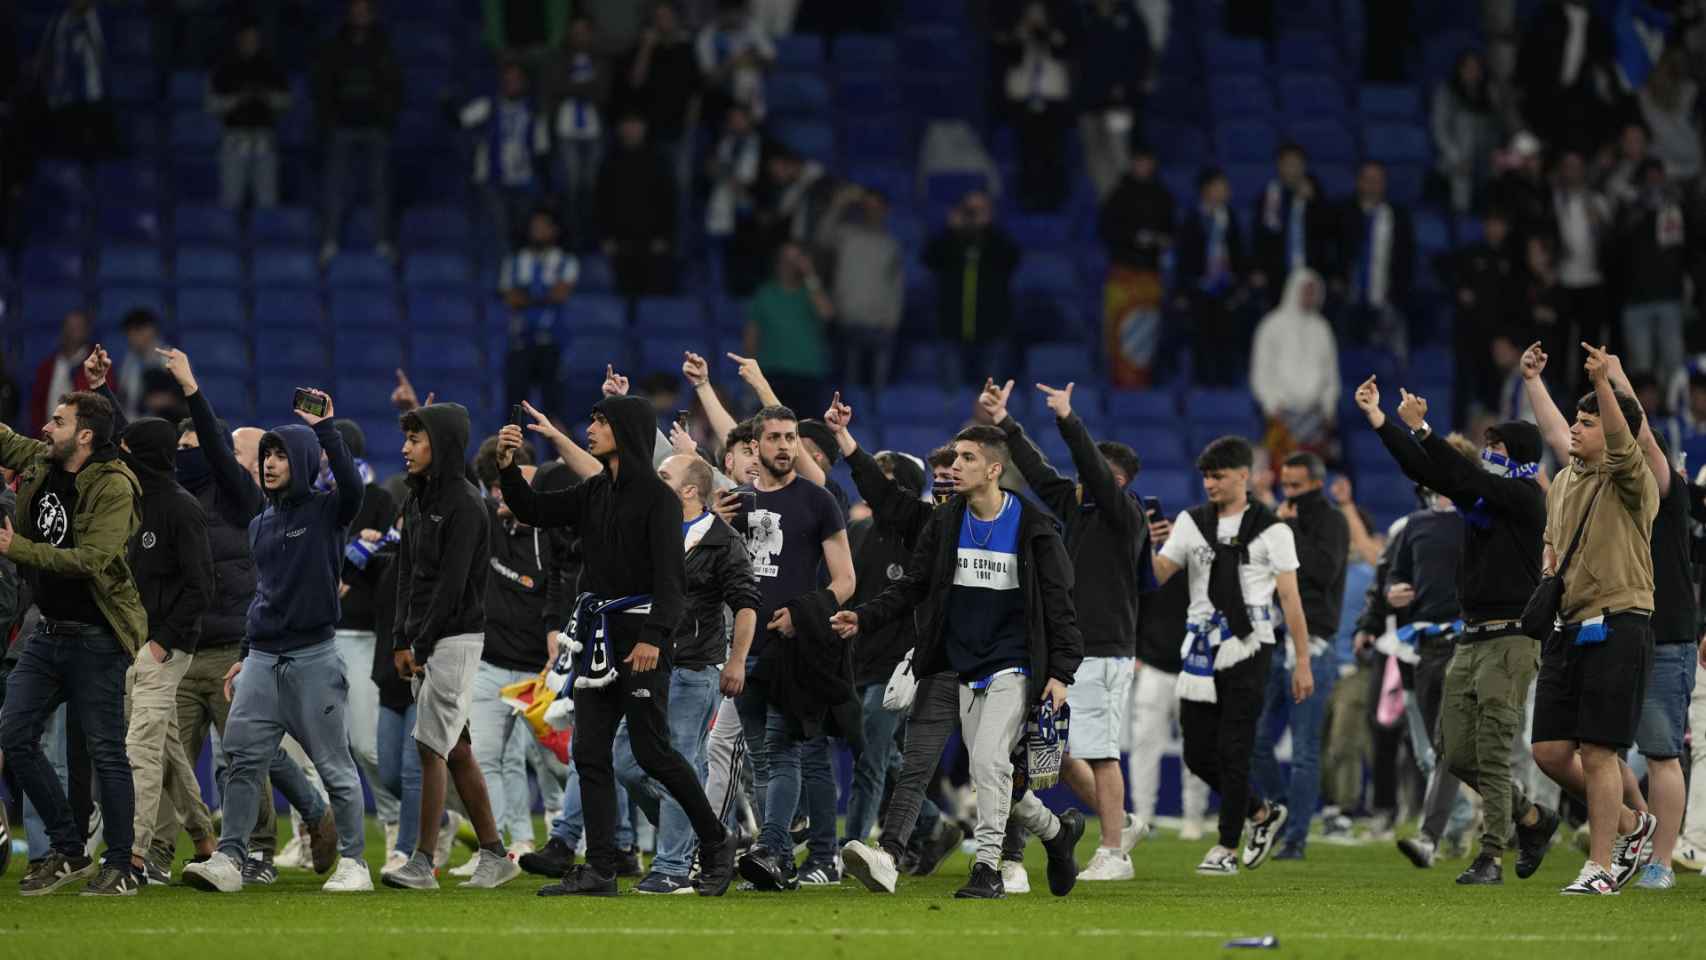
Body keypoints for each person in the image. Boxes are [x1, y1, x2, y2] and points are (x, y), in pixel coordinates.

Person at [495, 393, 740, 896]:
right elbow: (533, 509)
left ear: (625, 431)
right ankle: (602, 869)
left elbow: (672, 583)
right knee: (588, 752)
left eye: (601, 421)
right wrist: (506, 468)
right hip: (600, 638)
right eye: (592, 418)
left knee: (653, 753)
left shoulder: (657, 498)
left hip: (641, 638)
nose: (591, 427)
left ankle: (716, 843)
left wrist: (654, 638)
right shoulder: (594, 492)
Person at [831, 424, 1087, 899]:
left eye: (966, 459)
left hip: (1013, 664)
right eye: (953, 459)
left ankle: (988, 867)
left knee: (989, 762)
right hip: (954, 663)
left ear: (993, 470)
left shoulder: (1034, 528)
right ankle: (1055, 831)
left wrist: (1062, 673)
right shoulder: (945, 522)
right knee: (967, 771)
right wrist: (864, 617)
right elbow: (912, 585)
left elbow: (1060, 605)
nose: (953, 467)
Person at [1354, 372, 1555, 884]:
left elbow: (1462, 477)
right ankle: (1532, 818)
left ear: (1521, 456)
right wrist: (1383, 423)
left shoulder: (1527, 497)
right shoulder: (1482, 502)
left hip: (1511, 638)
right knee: (1455, 752)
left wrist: (1425, 430)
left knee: (1490, 749)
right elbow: (1432, 472)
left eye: (1496, 446)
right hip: (1472, 637)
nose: (1487, 453)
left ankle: (1490, 856)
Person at [134, 349, 323, 884]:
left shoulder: (241, 496)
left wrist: (193, 391)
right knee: (173, 762)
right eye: (181, 445)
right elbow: (128, 452)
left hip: (231, 647)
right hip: (180, 645)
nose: (185, 451)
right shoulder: (165, 500)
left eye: (193, 442)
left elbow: (220, 454)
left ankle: (260, 851)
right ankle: (157, 855)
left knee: (245, 758)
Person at [183, 388, 374, 894]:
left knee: (334, 766)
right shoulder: (260, 524)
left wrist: (326, 428)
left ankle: (355, 863)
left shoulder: (328, 512)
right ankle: (230, 858)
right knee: (242, 759)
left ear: (304, 460)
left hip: (313, 656)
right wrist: (244, 656)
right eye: (266, 454)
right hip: (263, 659)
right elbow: (262, 596)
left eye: (280, 454)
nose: (269, 463)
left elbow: (353, 489)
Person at [1523, 344, 1686, 891]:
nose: (1575, 428)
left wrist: (1608, 385)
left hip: (1620, 621)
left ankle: (1600, 867)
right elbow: (1552, 539)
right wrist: (1533, 382)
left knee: (1598, 751)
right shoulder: (1566, 481)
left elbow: (1622, 441)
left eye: (1587, 422)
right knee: (1548, 751)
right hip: (1568, 626)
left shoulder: (1634, 482)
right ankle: (1633, 824)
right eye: (1576, 418)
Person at [984, 378, 1148, 879]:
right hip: (1071, 650)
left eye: (1092, 473)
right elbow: (1037, 471)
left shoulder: (1126, 515)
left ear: (1114, 481)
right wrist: (1005, 423)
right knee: (1061, 751)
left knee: (1099, 752)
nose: (1079, 479)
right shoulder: (1078, 511)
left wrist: (1067, 419)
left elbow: (1092, 471)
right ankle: (1123, 822)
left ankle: (1114, 853)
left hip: (1104, 648)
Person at [0, 390, 145, 895]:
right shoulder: (43, 458)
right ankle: (69, 849)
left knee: (107, 753)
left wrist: (15, 547)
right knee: (14, 734)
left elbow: (92, 559)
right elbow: (7, 441)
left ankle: (123, 864)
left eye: (56, 421)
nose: (45, 427)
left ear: (84, 435)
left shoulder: (115, 485)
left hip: (98, 636)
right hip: (49, 631)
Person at [1148, 435, 1314, 876]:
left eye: (1218, 475)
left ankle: (1224, 845)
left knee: (1234, 748)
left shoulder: (1272, 529)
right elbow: (1160, 575)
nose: (1209, 484)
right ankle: (1261, 812)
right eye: (1205, 476)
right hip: (1201, 646)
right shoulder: (1191, 522)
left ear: (1244, 475)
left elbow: (1291, 600)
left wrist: (1302, 662)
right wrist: (1148, 547)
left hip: (1250, 644)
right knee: (1198, 754)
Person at [381, 403, 518, 891]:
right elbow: (405, 573)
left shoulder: (465, 503)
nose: (406, 448)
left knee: (428, 744)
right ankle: (496, 854)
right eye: (407, 439)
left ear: (440, 445)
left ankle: (422, 861)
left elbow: (453, 585)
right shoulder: (416, 500)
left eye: (417, 439)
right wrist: (402, 637)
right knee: (455, 749)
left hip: (455, 637)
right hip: (427, 638)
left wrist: (419, 641)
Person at [616, 453, 758, 894]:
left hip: (695, 667)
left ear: (689, 490)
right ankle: (706, 833)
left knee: (677, 757)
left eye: (664, 477)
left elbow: (746, 603)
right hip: (647, 666)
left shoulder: (722, 539)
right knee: (625, 761)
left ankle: (673, 865)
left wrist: (736, 660)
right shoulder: (650, 533)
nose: (654, 482)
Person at [726, 405, 855, 890]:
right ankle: (779, 859)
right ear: (755, 446)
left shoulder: (819, 502)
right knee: (760, 760)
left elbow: (845, 580)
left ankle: (770, 849)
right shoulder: (733, 504)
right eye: (775, 438)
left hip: (792, 649)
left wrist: (804, 613)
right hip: (742, 648)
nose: (784, 446)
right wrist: (711, 525)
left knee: (783, 753)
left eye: (791, 437)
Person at [112, 411, 214, 887]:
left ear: (146, 457)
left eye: (127, 451)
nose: (120, 458)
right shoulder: (133, 503)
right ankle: (205, 837)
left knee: (141, 748)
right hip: (139, 644)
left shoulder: (179, 507)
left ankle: (132, 858)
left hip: (165, 650)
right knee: (168, 747)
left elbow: (201, 585)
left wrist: (163, 642)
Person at [1250, 452, 1348, 860]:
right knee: (1254, 738)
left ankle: (1295, 839)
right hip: (1274, 637)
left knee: (1306, 749)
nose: (1289, 493)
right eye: (1285, 484)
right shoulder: (1278, 519)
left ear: (1316, 484)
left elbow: (1325, 571)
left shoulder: (1332, 521)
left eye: (1296, 486)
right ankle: (1283, 811)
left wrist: (1289, 530)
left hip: (1315, 644)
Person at [328, 420, 399, 853]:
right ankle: (310, 834)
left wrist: (369, 551)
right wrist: (353, 550)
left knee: (366, 746)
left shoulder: (379, 500)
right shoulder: (315, 501)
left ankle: (397, 823)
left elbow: (396, 553)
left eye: (330, 451)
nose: (323, 460)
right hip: (318, 634)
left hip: (362, 634)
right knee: (312, 744)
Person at [313, 0, 403, 264]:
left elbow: (394, 83)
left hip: (375, 125)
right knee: (336, 184)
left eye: (365, 10)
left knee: (380, 186)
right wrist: (328, 119)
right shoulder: (336, 44)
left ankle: (382, 241)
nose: (360, 14)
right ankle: (330, 240)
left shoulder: (383, 44)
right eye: (356, 9)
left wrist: (387, 117)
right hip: (342, 125)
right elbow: (323, 83)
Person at [922, 192, 1022, 388]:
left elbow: (1013, 259)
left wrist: (989, 228)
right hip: (951, 327)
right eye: (969, 210)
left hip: (992, 328)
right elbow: (929, 258)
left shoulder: (996, 242)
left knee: (991, 398)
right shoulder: (951, 241)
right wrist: (950, 230)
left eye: (979, 210)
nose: (973, 215)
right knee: (951, 395)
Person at [815, 184, 903, 394]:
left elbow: (895, 285)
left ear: (885, 210)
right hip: (847, 321)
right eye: (868, 206)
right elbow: (821, 238)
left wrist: (893, 319)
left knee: (879, 390)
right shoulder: (846, 235)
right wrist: (838, 205)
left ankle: (877, 423)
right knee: (848, 388)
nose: (872, 211)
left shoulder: (890, 244)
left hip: (879, 325)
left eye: (877, 207)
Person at [1097, 146, 1173, 387]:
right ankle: (1119, 384)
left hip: (1150, 278)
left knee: (1147, 336)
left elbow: (1172, 232)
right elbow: (1106, 231)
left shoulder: (1163, 196)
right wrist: (1133, 239)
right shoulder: (1118, 196)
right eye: (1139, 161)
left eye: (1147, 161)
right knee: (1120, 335)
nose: (1143, 166)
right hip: (1123, 275)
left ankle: (1146, 384)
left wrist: (1158, 240)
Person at [459, 60, 552, 251]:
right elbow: (461, 119)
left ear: (525, 82)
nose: (511, 84)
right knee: (499, 231)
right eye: (507, 79)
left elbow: (542, 151)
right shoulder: (488, 105)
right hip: (492, 180)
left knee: (521, 232)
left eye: (516, 80)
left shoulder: (534, 111)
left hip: (523, 181)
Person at [1250, 269, 1338, 464]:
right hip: (1280, 413)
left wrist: (1328, 408)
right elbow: (1260, 372)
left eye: (1313, 291)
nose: (1309, 296)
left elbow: (1331, 375)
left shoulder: (1322, 328)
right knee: (1279, 469)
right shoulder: (1271, 325)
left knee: (1311, 474)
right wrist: (1271, 404)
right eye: (1305, 290)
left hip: (1314, 416)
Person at [1615, 158, 1691, 384]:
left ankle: (1676, 411)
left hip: (1668, 295)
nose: (1654, 183)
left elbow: (1687, 247)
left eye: (1658, 177)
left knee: (1674, 363)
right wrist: (1636, 212)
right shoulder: (1628, 208)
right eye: (1648, 178)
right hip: (1635, 299)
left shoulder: (1676, 207)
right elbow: (1616, 247)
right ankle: (1643, 417)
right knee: (1641, 367)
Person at [1513, 0, 1623, 154]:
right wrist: (1521, 89)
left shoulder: (1597, 25)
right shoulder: (1547, 15)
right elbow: (1527, 54)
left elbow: (1605, 64)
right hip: (1539, 96)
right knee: (1530, 148)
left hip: (1573, 102)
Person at [500, 208, 579, 422]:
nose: (538, 232)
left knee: (553, 409)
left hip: (551, 344)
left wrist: (527, 296)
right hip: (520, 342)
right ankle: (516, 454)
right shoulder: (514, 261)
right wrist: (544, 296)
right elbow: (510, 298)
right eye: (535, 227)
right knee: (515, 410)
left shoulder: (566, 261)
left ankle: (556, 454)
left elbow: (560, 293)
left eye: (543, 227)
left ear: (554, 230)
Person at [1173, 168, 1249, 388]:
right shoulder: (1192, 219)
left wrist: (1240, 284)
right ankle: (1202, 387)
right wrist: (1181, 291)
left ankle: (1224, 385)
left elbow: (1239, 254)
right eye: (1219, 187)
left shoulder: (1230, 219)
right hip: (1199, 290)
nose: (1225, 191)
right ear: (1206, 190)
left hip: (1226, 290)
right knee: (1201, 342)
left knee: (1226, 341)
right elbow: (1183, 258)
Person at [742, 243, 833, 418]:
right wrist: (749, 375)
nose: (790, 266)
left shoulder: (811, 292)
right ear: (777, 263)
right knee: (772, 429)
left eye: (796, 260)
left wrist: (811, 275)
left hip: (808, 374)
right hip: (772, 373)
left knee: (807, 434)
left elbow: (827, 313)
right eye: (786, 260)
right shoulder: (764, 294)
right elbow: (751, 336)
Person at [208, 19, 290, 211]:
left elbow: (286, 101)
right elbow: (212, 105)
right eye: (246, 39)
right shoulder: (224, 68)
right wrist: (237, 99)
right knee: (230, 200)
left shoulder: (271, 67)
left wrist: (265, 96)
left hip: (264, 138)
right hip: (234, 139)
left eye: (254, 39)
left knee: (267, 200)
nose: (250, 42)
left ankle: (268, 238)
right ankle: (228, 238)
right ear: (239, 40)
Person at [1334, 161, 1414, 356]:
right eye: (1367, 180)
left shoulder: (1398, 216)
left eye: (1377, 180)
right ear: (1359, 182)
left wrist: (1398, 292)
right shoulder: (1343, 212)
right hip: (1348, 299)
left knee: (1391, 359)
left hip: (1386, 299)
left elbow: (1406, 258)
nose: (1372, 185)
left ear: (1385, 183)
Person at [999, 1, 1072, 211]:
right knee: (1027, 152)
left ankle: (1054, 197)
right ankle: (1028, 196)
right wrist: (1022, 36)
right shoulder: (1017, 36)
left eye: (1039, 16)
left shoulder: (1057, 35)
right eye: (1031, 16)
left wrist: (1047, 36)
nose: (1035, 20)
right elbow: (1010, 59)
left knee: (1053, 151)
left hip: (1052, 100)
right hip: (1024, 101)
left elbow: (1065, 53)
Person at [596, 114, 678, 296]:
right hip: (619, 241)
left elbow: (668, 200)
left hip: (653, 241)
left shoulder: (659, 159)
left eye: (636, 124)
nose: (632, 130)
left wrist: (665, 236)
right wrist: (605, 236)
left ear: (644, 128)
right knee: (621, 294)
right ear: (620, 128)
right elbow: (601, 201)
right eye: (628, 124)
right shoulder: (609, 161)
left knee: (654, 298)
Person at [1075, 0, 1151, 197]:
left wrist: (1126, 86)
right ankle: (1107, 201)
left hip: (1119, 104)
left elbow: (1141, 55)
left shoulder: (1130, 17)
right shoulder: (1084, 17)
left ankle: (1125, 200)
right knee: (1094, 154)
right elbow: (1074, 56)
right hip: (1088, 103)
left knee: (1119, 150)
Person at [545, 15, 609, 249]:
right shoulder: (559, 59)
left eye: (584, 31)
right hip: (566, 129)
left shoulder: (601, 59)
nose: (579, 36)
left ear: (591, 34)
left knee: (591, 187)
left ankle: (591, 237)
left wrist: (573, 88)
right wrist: (585, 87)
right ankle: (570, 238)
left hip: (594, 130)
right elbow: (557, 86)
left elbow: (602, 92)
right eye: (576, 31)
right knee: (570, 187)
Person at [35, 0, 117, 160]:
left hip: (94, 100)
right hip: (62, 101)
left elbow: (106, 58)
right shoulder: (58, 22)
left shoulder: (100, 20)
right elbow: (44, 58)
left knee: (100, 151)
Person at [1252, 144, 1332, 300]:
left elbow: (1328, 231)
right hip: (1278, 273)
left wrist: (1314, 201)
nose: (1292, 170)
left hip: (1310, 272)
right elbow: (1260, 236)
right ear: (1279, 166)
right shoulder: (1269, 196)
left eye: (1296, 164)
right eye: (1287, 164)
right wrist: (1258, 268)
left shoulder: (1317, 194)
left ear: (1304, 166)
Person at [1431, 50, 1503, 214]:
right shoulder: (1447, 92)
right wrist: (1457, 158)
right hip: (1454, 159)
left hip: (1483, 160)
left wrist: (1494, 156)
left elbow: (1495, 132)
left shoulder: (1488, 94)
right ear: (1460, 70)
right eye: (1468, 68)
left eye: (1476, 68)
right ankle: (1460, 217)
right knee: (1460, 176)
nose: (1472, 72)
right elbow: (1439, 129)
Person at [705, 104, 763, 296]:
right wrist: (724, 172)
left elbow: (748, 179)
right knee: (718, 253)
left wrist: (727, 173)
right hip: (721, 205)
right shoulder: (726, 141)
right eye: (732, 118)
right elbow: (713, 169)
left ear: (748, 119)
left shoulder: (757, 143)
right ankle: (718, 294)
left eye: (739, 118)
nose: (735, 122)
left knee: (742, 257)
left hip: (745, 209)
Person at [695, 0, 774, 121]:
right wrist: (731, 63)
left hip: (752, 93)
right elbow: (710, 81)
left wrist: (750, 57)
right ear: (721, 13)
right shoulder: (707, 36)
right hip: (722, 97)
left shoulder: (752, 27)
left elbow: (771, 64)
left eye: (739, 12)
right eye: (730, 12)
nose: (736, 17)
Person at [1637, 49, 1701, 183]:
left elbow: (1695, 166)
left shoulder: (1690, 93)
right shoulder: (1646, 98)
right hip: (1657, 153)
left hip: (1662, 156)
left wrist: (1662, 170)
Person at [30, 311, 95, 436]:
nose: (74, 331)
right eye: (70, 327)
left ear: (87, 331)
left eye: (79, 327)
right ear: (63, 330)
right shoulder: (47, 367)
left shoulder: (98, 365)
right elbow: (37, 405)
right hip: (50, 439)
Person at [114, 309, 165, 422]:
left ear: (150, 330)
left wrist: (168, 399)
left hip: (165, 425)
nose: (131, 337)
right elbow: (123, 396)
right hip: (133, 425)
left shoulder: (169, 358)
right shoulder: (128, 362)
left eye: (137, 330)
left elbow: (188, 399)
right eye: (129, 332)